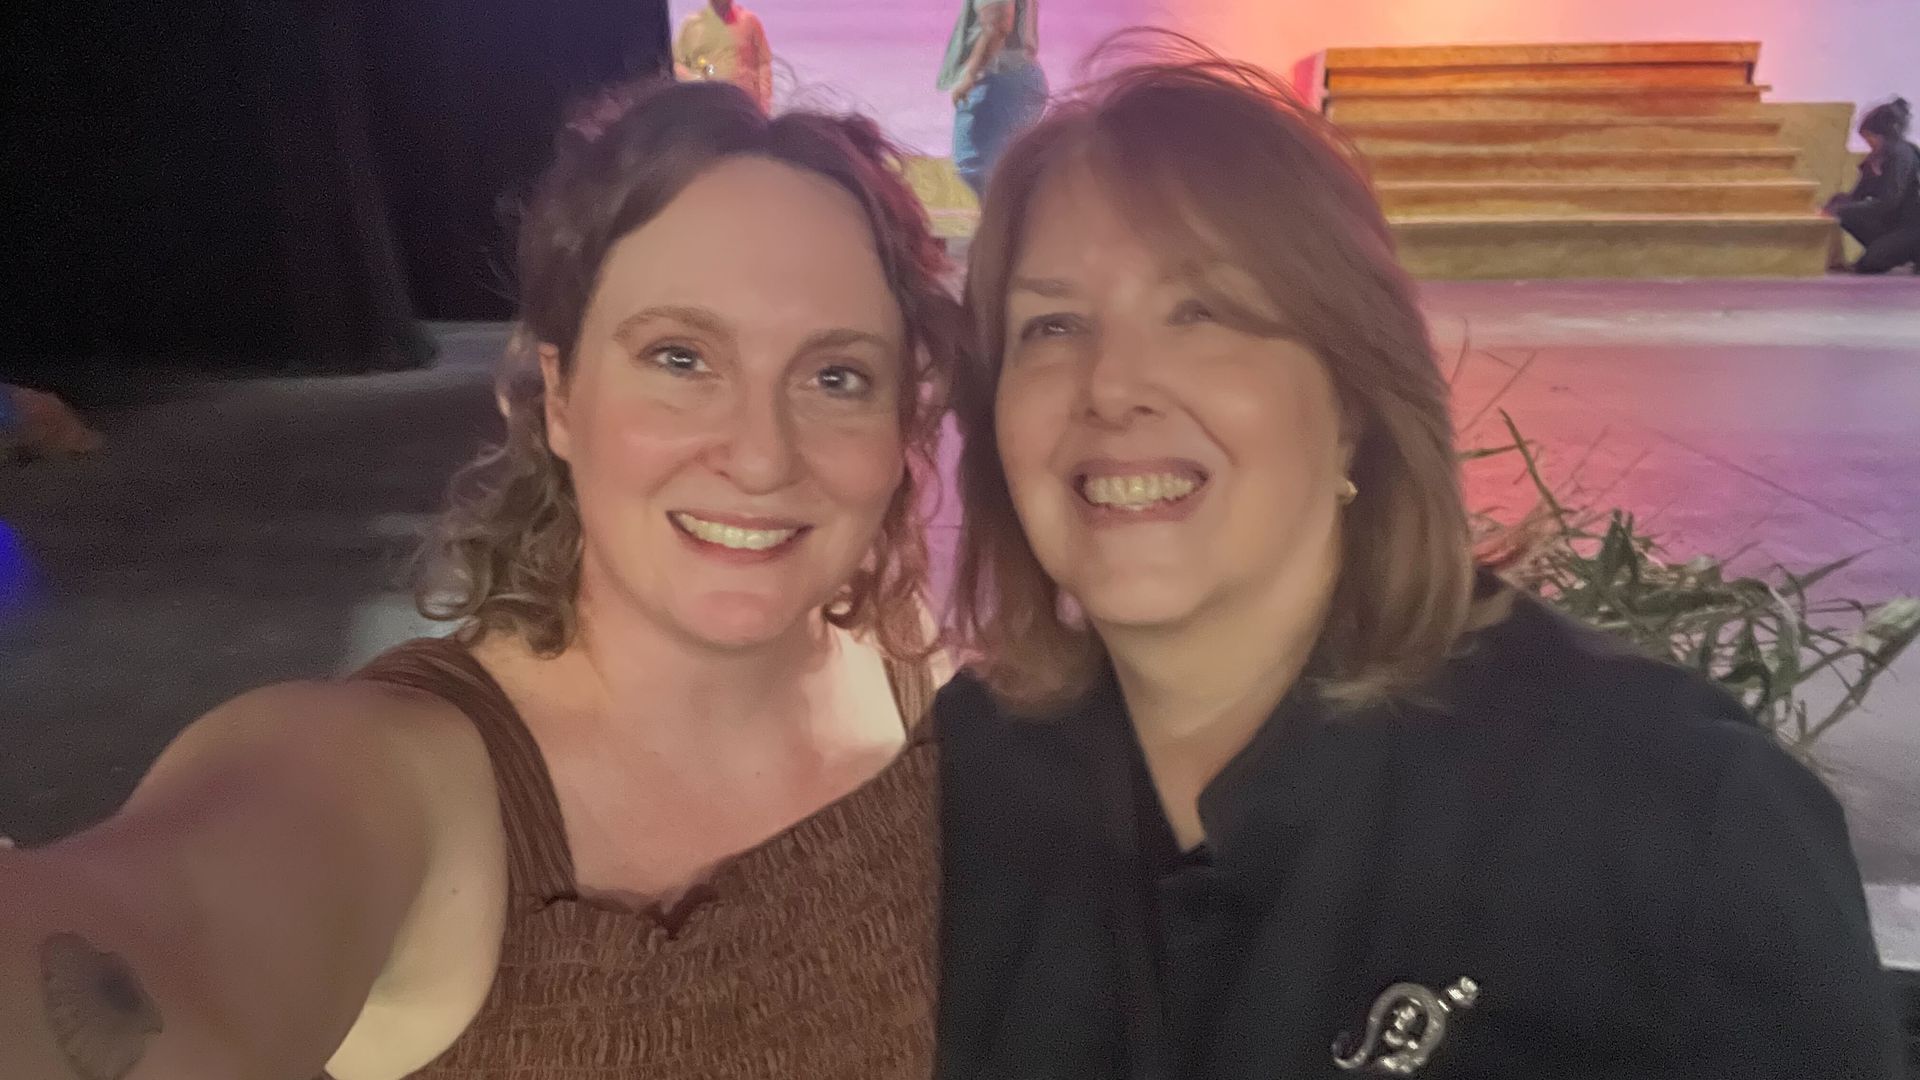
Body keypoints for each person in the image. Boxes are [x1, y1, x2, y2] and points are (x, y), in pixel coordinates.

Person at [934, 45, 1906, 1080]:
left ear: (1353, 392)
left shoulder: (1669, 825)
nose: (1111, 384)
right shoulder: (964, 783)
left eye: (1202, 310)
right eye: (1051, 325)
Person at [1, 78, 964, 1080]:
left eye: (836, 376)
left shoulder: (909, 663)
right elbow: (171, 931)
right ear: (558, 396)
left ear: (905, 420)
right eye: (680, 358)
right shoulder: (388, 778)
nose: (762, 455)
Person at [938, 0, 1047, 199]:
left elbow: (998, 22)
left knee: (980, 169)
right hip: (1013, 77)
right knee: (999, 172)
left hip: (998, 79)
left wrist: (971, 75)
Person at [1825, 97, 1920, 275]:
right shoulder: (1874, 159)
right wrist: (1834, 206)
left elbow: (1889, 202)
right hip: (1891, 223)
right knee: (1839, 203)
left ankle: (1908, 251)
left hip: (1912, 227)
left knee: (1869, 264)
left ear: (1883, 136)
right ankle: (1887, 248)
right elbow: (1857, 196)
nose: (1868, 143)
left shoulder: (1902, 156)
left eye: (1871, 137)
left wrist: (1841, 210)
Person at [674, 0, 774, 113]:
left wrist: (764, 103)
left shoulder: (750, 21)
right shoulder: (691, 25)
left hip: (745, 107)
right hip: (707, 107)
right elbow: (678, 63)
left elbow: (763, 63)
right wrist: (696, 79)